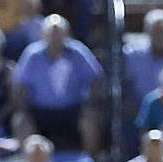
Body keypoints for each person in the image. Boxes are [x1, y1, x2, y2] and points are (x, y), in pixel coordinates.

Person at [13, 14, 102, 151]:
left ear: (67, 34)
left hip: (72, 110)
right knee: (21, 121)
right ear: (43, 35)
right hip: (40, 111)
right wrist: (24, 110)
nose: (55, 37)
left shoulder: (78, 52)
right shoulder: (33, 54)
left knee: (90, 119)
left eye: (59, 32)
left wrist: (89, 104)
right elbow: (19, 85)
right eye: (51, 33)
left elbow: (95, 79)